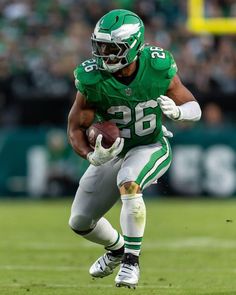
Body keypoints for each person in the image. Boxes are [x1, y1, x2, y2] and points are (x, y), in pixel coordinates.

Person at [67, 9, 201, 289]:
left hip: (150, 143)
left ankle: (131, 261)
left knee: (128, 182)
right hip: (114, 151)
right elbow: (75, 128)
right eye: (99, 46)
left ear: (132, 47)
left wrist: (177, 112)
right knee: (80, 221)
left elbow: (194, 107)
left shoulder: (157, 66)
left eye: (111, 48)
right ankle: (116, 249)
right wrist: (92, 155)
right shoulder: (92, 79)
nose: (103, 55)